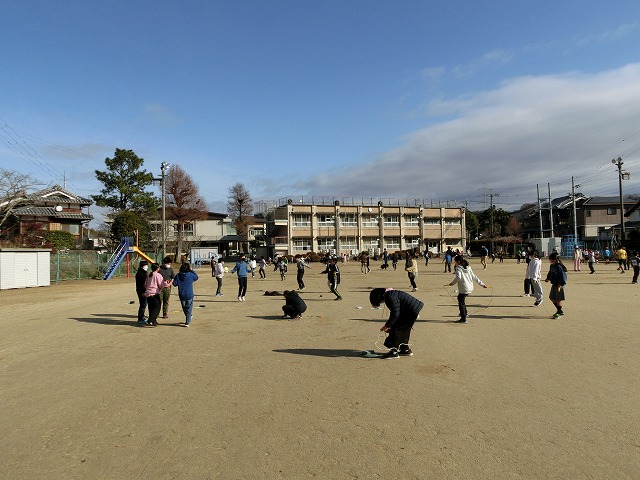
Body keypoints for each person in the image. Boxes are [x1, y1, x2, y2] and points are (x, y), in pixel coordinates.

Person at [369, 287, 423, 358]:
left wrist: (387, 325)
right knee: (403, 330)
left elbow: (395, 313)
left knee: (397, 330)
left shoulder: (389, 297)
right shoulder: (390, 294)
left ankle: (393, 352)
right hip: (411, 309)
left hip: (411, 310)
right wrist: (390, 325)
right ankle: (405, 349)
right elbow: (396, 312)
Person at [445, 255, 488, 323]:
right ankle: (465, 313)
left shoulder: (459, 268)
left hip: (464, 288)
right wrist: (482, 284)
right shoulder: (468, 267)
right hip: (469, 287)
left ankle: (463, 318)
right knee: (461, 299)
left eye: (455, 261)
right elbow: (474, 277)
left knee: (461, 301)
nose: (455, 263)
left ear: (458, 261)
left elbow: (458, 277)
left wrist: (452, 283)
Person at [172, 263, 199, 327]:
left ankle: (188, 317)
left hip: (182, 294)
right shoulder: (190, 275)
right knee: (189, 308)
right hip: (189, 294)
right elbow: (196, 277)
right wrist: (192, 270)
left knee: (184, 308)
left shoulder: (178, 275)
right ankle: (187, 321)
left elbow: (174, 284)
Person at [544, 252, 568, 319]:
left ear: (555, 259)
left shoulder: (559, 267)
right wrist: (548, 278)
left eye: (551, 259)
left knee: (558, 299)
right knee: (551, 297)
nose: (550, 261)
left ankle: (559, 312)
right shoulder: (552, 266)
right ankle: (560, 310)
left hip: (559, 285)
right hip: (554, 284)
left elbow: (563, 276)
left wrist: (561, 284)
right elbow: (550, 273)